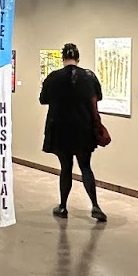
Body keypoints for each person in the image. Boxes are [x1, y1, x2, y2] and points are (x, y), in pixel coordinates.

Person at [39, 43, 106, 222]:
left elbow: (43, 99)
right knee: (85, 167)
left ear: (62, 58)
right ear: (78, 58)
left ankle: (63, 207)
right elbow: (98, 97)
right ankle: (95, 206)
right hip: (84, 128)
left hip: (60, 129)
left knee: (66, 167)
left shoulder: (53, 77)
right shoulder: (89, 76)